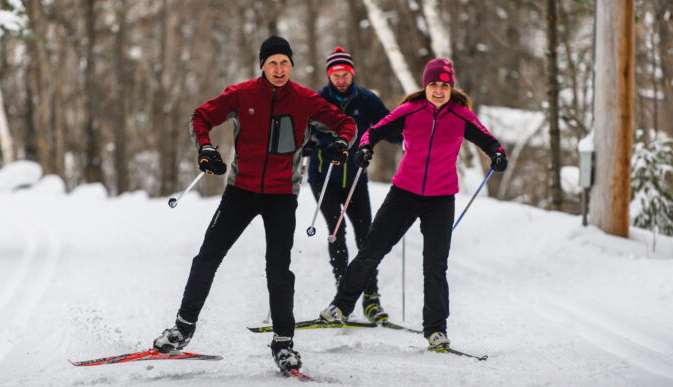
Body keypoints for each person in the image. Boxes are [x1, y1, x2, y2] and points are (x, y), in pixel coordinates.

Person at [152, 36, 357, 372]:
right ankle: (182, 329)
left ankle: (283, 343)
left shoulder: (305, 100)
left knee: (278, 270)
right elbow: (201, 117)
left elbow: (345, 123)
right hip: (241, 191)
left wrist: (342, 143)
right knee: (207, 258)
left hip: (282, 195)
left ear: (291, 65)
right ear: (262, 65)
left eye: (284, 63)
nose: (279, 69)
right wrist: (205, 148)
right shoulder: (242, 94)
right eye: (272, 62)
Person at [317, 58, 507, 349]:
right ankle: (340, 306)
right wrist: (365, 148)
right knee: (371, 251)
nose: (439, 91)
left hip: (440, 199)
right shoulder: (410, 110)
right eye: (433, 85)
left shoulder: (461, 115)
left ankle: (436, 330)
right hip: (404, 194)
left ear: (451, 88)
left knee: (435, 265)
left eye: (444, 86)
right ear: (425, 85)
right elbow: (373, 132)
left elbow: (489, 141)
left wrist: (497, 154)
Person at [305, 46, 400, 323]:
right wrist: (310, 143)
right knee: (337, 232)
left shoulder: (367, 99)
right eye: (336, 75)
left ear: (352, 74)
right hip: (324, 177)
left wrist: (407, 138)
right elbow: (304, 131)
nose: (341, 79)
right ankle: (342, 296)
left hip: (356, 178)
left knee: (366, 237)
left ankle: (371, 298)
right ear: (329, 76)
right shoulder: (318, 100)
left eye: (345, 74)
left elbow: (387, 126)